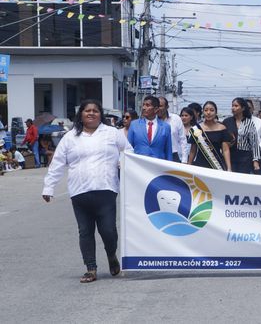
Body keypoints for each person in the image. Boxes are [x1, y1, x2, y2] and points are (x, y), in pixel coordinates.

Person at [42, 99, 132, 283]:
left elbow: (128, 152)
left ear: (101, 115)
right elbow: (58, 163)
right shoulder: (70, 137)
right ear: (81, 115)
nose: (91, 113)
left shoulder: (112, 133)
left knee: (108, 230)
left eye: (95, 111)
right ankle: (91, 268)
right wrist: (49, 187)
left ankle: (111, 255)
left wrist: (122, 163)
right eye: (87, 111)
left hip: (106, 189)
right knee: (85, 231)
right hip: (79, 191)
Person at [188, 101, 232, 171]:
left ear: (216, 112)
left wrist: (229, 168)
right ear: (203, 112)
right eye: (206, 110)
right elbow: (193, 150)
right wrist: (189, 165)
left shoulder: (222, 128)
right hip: (200, 165)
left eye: (211, 110)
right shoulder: (197, 128)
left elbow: (225, 150)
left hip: (217, 165)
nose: (208, 113)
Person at [127, 95, 173, 161]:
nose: (144, 108)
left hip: (158, 164)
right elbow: (128, 148)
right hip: (138, 164)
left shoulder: (165, 127)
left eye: (147, 105)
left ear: (156, 109)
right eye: (143, 105)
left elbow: (168, 151)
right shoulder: (134, 125)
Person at [223, 97, 260, 174]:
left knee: (242, 178)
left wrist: (255, 160)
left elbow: (254, 143)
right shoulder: (227, 122)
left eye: (236, 106)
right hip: (230, 155)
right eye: (232, 106)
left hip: (245, 157)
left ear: (243, 108)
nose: (233, 108)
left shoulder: (249, 123)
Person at [158, 97, 188, 163]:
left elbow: (183, 140)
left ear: (167, 107)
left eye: (160, 106)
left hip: (174, 155)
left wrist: (184, 160)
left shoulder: (176, 119)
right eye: (156, 106)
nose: (158, 108)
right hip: (157, 155)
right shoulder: (152, 121)